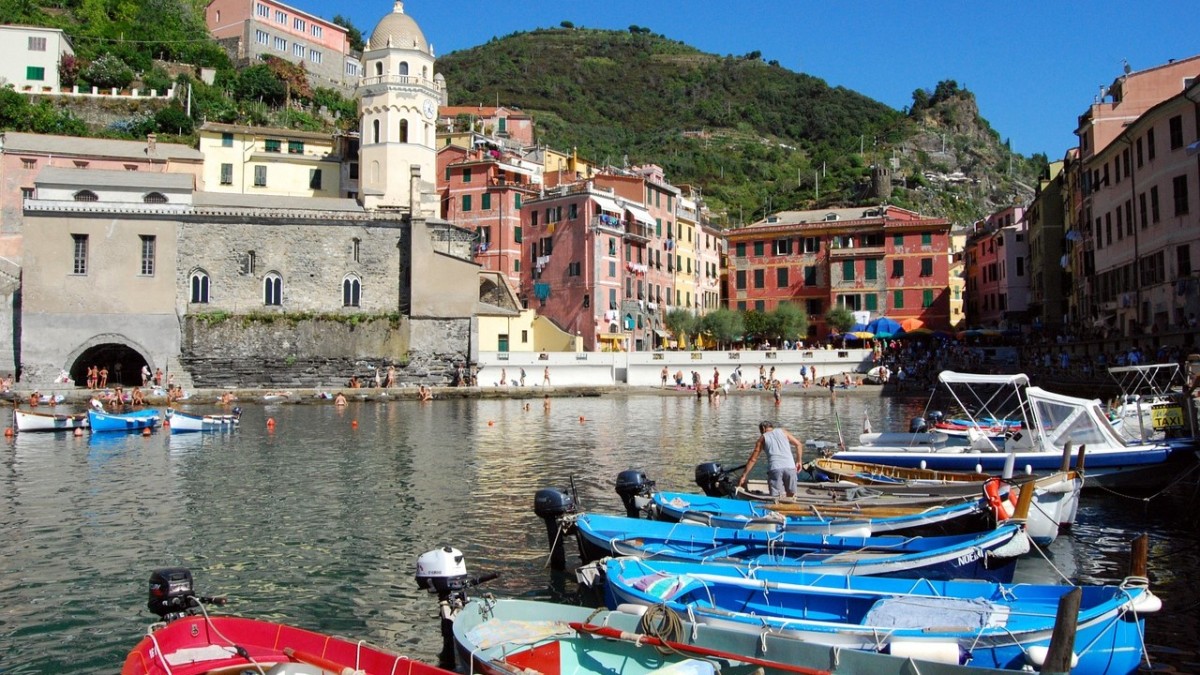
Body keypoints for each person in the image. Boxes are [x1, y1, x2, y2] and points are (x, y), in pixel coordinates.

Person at [737, 420, 803, 497]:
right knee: (791, 494)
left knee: (776, 497)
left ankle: (777, 508)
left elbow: (753, 459)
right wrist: (799, 461)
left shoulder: (762, 438)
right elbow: (798, 444)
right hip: (790, 467)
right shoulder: (783, 431)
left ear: (763, 428)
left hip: (775, 468)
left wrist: (744, 475)